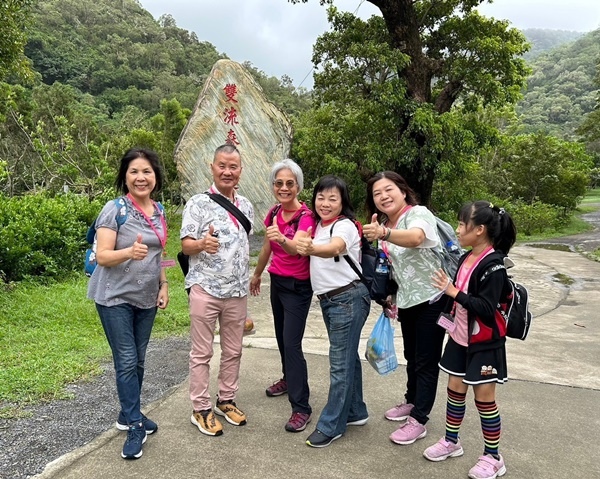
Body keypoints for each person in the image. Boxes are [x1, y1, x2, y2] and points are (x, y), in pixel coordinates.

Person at [423, 201, 516, 479]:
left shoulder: (494, 265)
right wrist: (446, 294)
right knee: (454, 391)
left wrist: (453, 292)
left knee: (484, 400)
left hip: (485, 343)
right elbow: (457, 295)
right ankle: (451, 442)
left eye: (463, 225)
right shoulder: (466, 257)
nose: (458, 229)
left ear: (479, 230)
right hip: (459, 339)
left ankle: (493, 456)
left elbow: (486, 309)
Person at [87, 147, 169, 460]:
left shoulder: (160, 210)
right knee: (125, 358)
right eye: (134, 171)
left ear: (155, 177)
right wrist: (128, 253)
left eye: (146, 171)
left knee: (138, 360)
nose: (140, 177)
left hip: (146, 296)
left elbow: (159, 252)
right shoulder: (115, 209)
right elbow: (103, 255)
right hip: (114, 296)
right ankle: (135, 423)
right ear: (125, 176)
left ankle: (127, 413)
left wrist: (163, 285)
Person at [363, 171, 445, 446]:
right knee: (412, 355)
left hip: (433, 297)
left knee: (426, 360)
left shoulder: (417, 214)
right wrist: (391, 299)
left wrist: (384, 233)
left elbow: (416, 238)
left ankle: (420, 419)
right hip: (408, 300)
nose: (383, 196)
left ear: (402, 190)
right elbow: (394, 267)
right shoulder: (383, 223)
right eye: (377, 193)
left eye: (388, 190)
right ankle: (412, 401)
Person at [180, 144, 254, 437]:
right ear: (212, 167)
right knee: (201, 353)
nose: (227, 171)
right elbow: (185, 245)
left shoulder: (246, 205)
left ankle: (226, 399)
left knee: (234, 350)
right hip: (205, 288)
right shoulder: (198, 203)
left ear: (240, 171)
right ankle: (200, 409)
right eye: (222, 165)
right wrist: (201, 245)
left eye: (233, 166)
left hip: (237, 291)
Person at [296, 175, 371, 448]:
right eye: (320, 197)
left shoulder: (346, 226)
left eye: (332, 198)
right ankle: (355, 411)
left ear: (343, 202)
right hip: (332, 300)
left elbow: (336, 247)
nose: (325, 203)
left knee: (339, 365)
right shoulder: (318, 225)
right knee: (347, 358)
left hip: (347, 299)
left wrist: (312, 248)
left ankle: (332, 425)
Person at [250, 159, 316, 432]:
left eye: (290, 183)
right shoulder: (274, 212)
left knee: (292, 344)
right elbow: (267, 245)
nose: (284, 188)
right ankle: (289, 379)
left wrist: (281, 239)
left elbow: (297, 250)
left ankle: (301, 407)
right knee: (281, 338)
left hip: (298, 288)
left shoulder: (307, 216)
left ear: (298, 186)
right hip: (277, 282)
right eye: (279, 183)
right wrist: (257, 274)